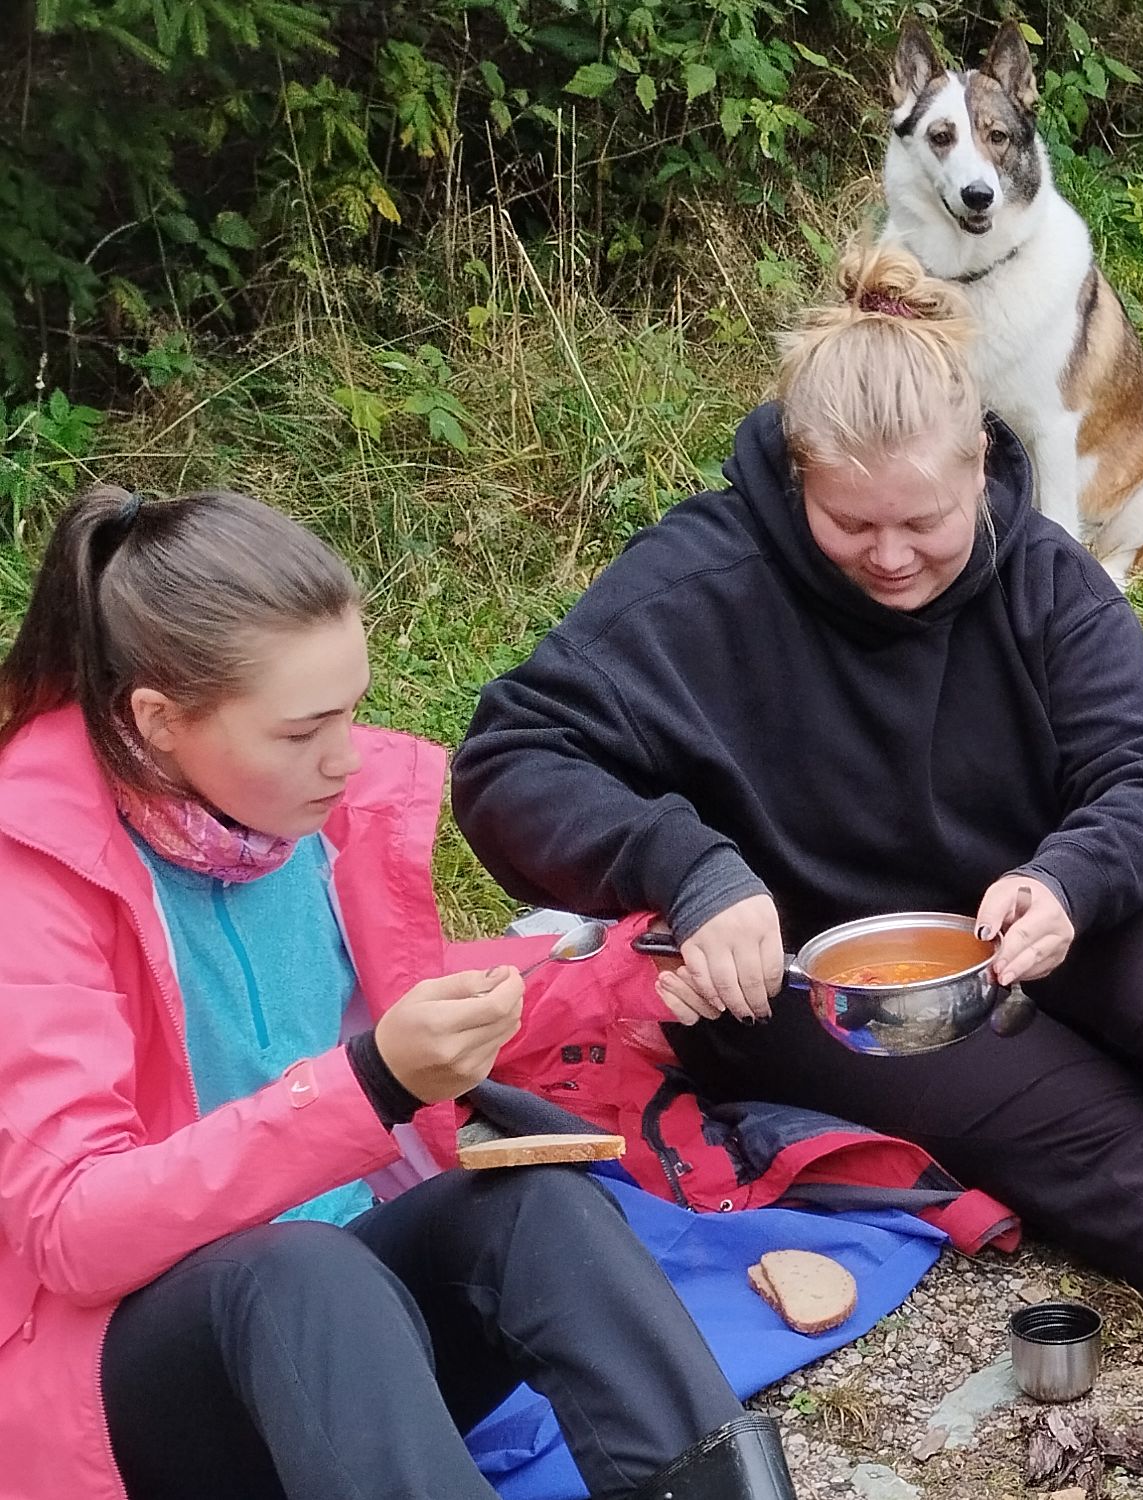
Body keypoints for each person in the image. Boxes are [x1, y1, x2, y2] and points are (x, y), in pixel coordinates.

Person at [452, 243, 1143, 1410]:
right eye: (848, 522)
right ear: (794, 475)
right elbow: (507, 762)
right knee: (1093, 1139)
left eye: (924, 520)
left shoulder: (1042, 574)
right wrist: (688, 868)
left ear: (981, 459)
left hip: (1056, 912)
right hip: (848, 997)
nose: (890, 557)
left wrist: (1071, 879)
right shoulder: (698, 585)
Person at [0, 486, 793, 1500]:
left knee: (536, 1210)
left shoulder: (298, 815)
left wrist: (627, 972)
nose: (346, 755)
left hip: (352, 1353)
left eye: (351, 709)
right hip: (140, 1390)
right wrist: (371, 1083)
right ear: (156, 723)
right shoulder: (36, 868)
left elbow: (411, 999)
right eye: (301, 731)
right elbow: (72, 1229)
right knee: (295, 1272)